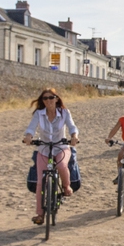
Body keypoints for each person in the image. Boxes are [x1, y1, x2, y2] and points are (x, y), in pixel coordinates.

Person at [24, 87, 78, 224]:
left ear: (56, 99)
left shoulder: (64, 112)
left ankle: (66, 187)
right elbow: (31, 127)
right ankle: (40, 215)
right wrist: (29, 137)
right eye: (45, 98)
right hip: (44, 149)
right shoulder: (39, 114)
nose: (48, 101)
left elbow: (72, 127)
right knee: (40, 183)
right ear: (42, 101)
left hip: (61, 147)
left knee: (61, 165)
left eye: (51, 98)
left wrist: (74, 136)